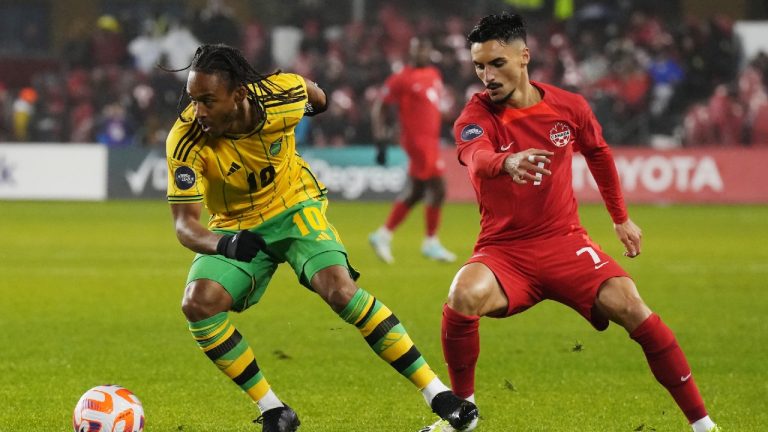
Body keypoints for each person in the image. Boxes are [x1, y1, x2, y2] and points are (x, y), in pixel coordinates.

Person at [422, 13, 719, 432]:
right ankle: (462, 415)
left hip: (565, 244)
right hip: (505, 251)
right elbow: (477, 159)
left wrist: (621, 218)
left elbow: (598, 152)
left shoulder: (569, 106)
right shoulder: (475, 116)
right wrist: (508, 162)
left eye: (497, 63)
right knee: (462, 294)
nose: (487, 75)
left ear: (524, 57)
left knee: (633, 307)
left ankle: (704, 425)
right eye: (478, 66)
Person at [164, 44, 478, 432]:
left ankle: (437, 394)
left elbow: (317, 96)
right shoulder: (186, 138)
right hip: (234, 224)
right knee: (198, 304)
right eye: (194, 100)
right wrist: (225, 243)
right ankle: (274, 410)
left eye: (208, 100)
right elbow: (184, 226)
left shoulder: (280, 95)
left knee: (340, 292)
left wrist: (315, 105)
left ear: (240, 94)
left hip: (295, 205)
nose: (198, 112)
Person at [368, 36, 457, 264]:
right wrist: (380, 139)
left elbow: (433, 107)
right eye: (417, 49)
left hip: (431, 140)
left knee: (417, 191)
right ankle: (430, 242)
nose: (420, 54)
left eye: (424, 49)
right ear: (411, 51)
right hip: (416, 143)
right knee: (438, 187)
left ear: (429, 52)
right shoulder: (401, 79)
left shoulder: (434, 75)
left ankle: (383, 235)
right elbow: (380, 107)